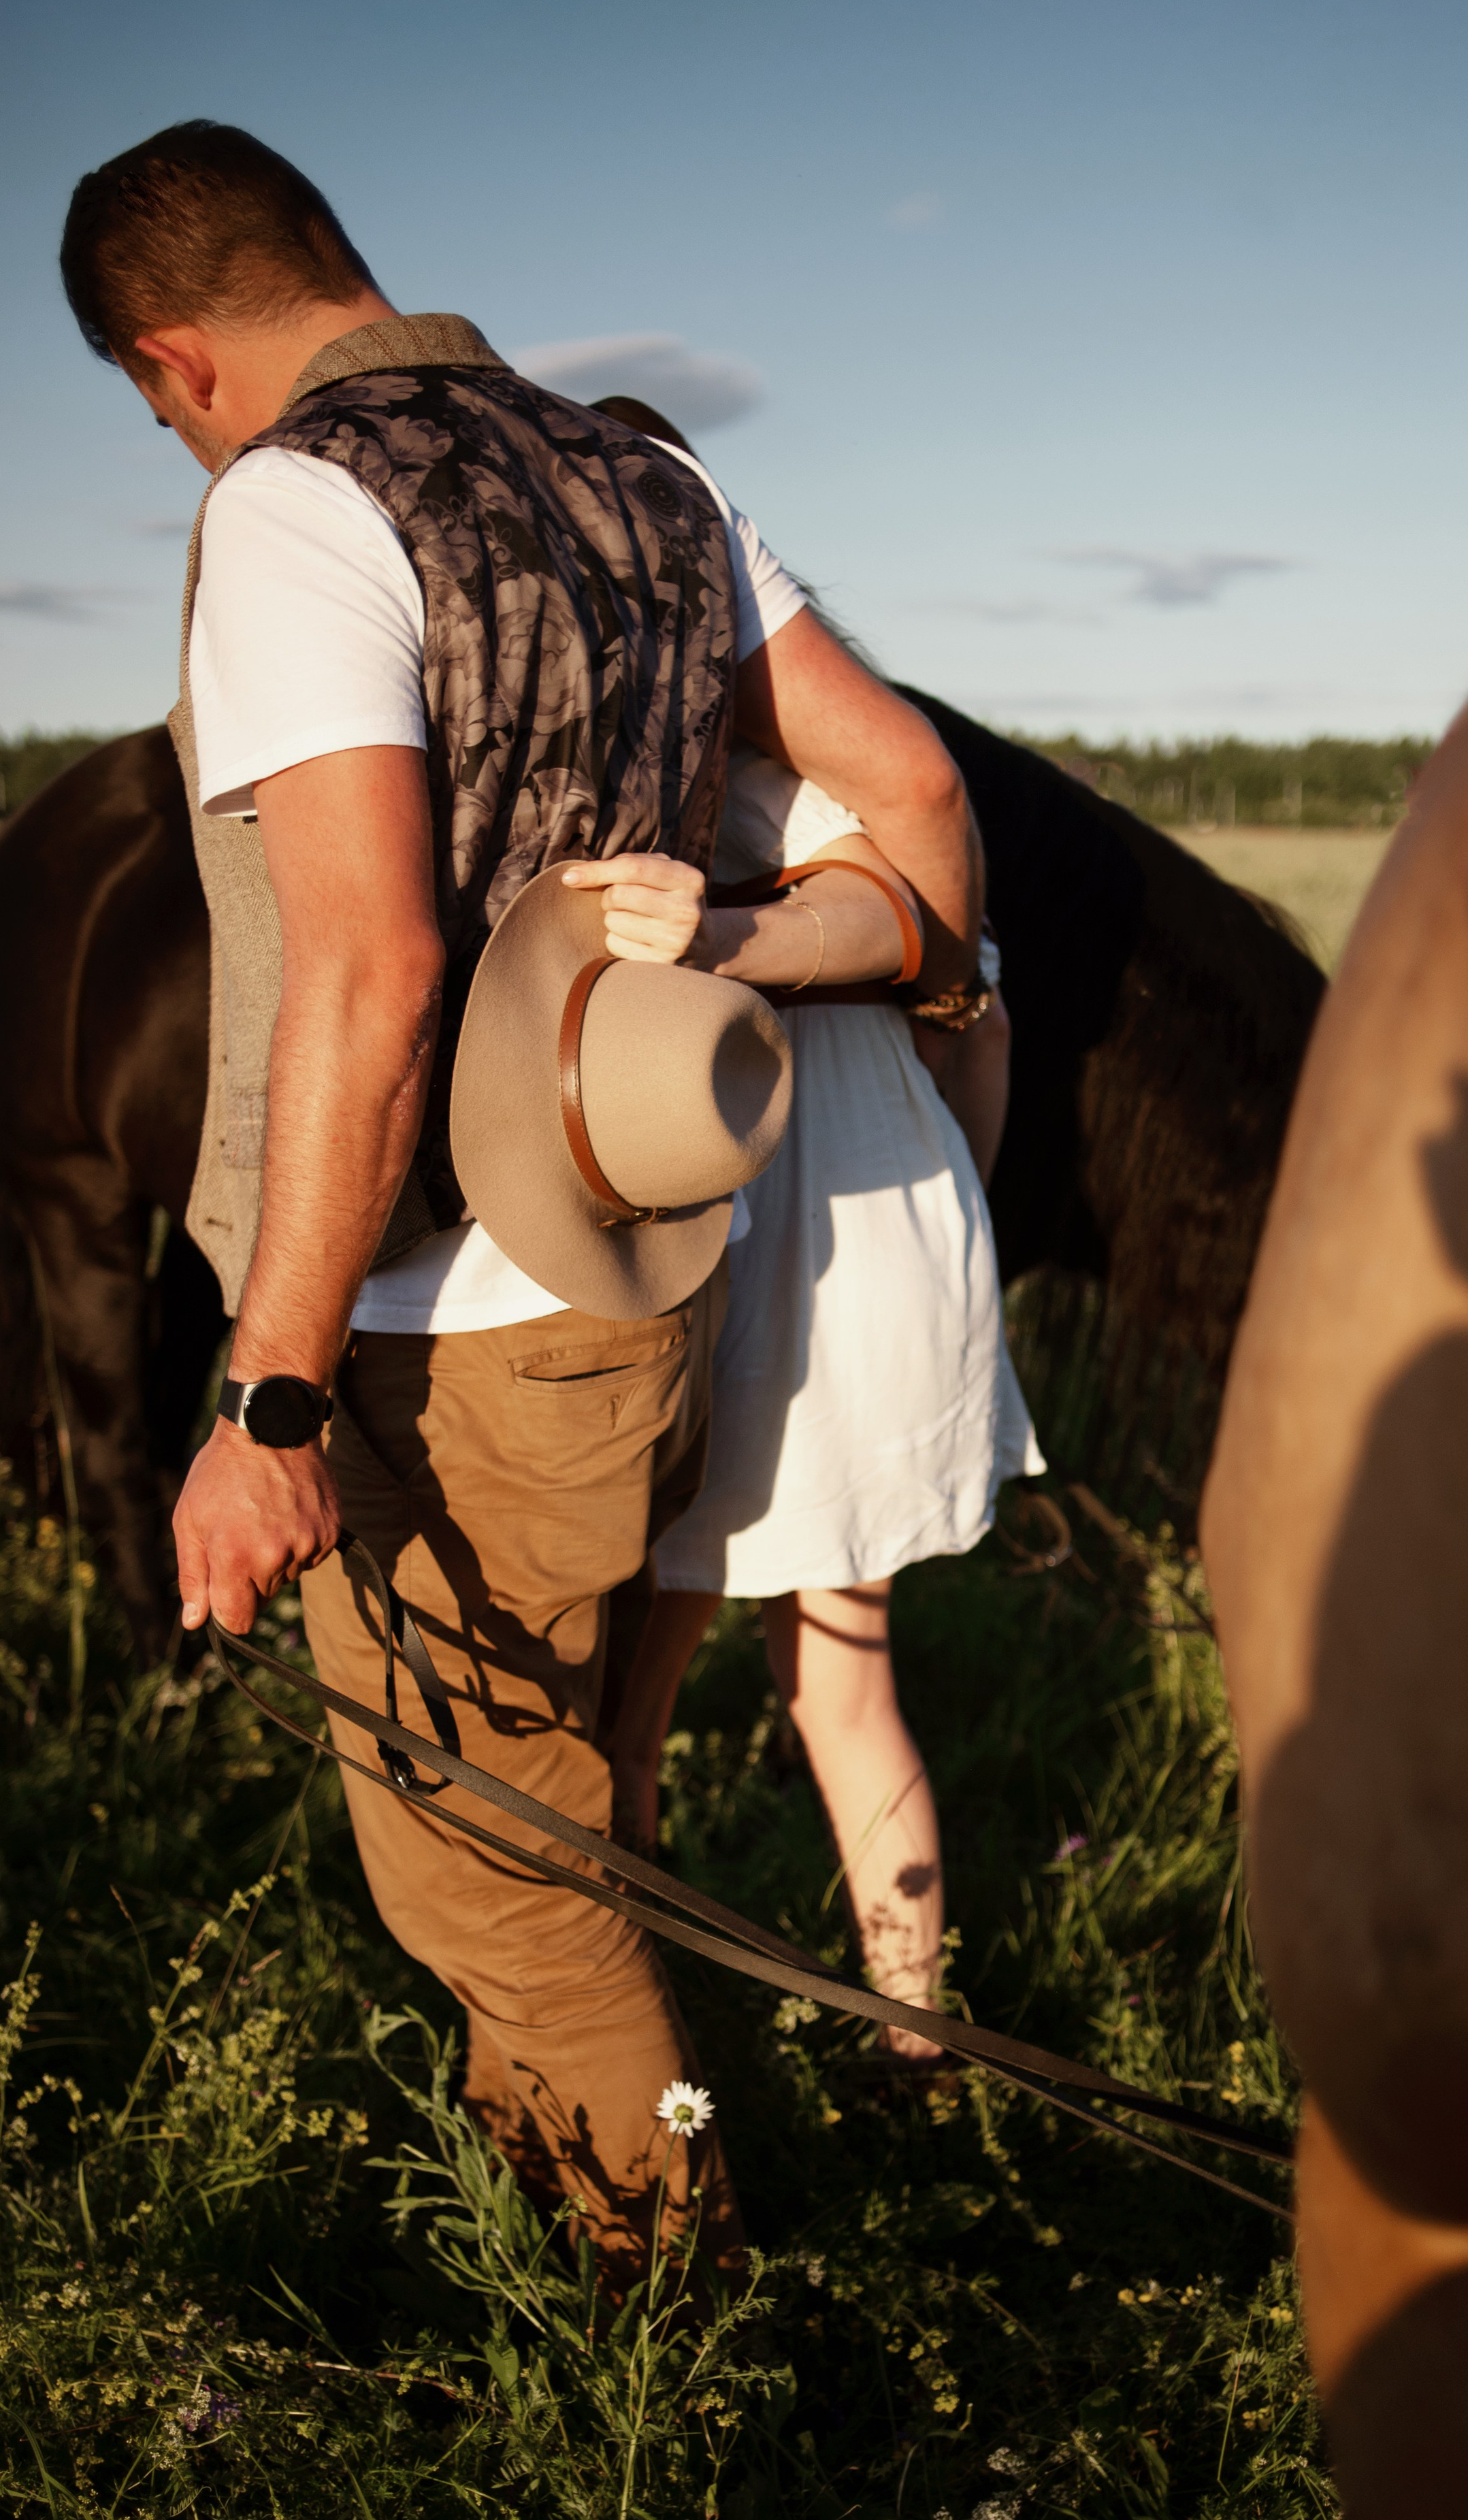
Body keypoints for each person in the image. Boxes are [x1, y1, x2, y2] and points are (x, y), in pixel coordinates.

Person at [57, 120, 985, 2277]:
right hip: (637, 1265)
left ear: (175, 359)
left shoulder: (299, 502)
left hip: (418, 1323)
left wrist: (270, 1398)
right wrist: (763, 953)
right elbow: (922, 797)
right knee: (554, 1792)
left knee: (489, 1860)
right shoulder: (659, 485)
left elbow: (373, 972)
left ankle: (669, 2328)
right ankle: (562, 2221)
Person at [602, 745, 1039, 2064]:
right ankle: (914, 2041)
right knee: (848, 1688)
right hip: (899, 1248)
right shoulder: (891, 835)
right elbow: (984, 1041)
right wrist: (953, 1208)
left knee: (629, 1701)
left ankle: (639, 2036)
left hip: (734, 1275)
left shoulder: (652, 810)